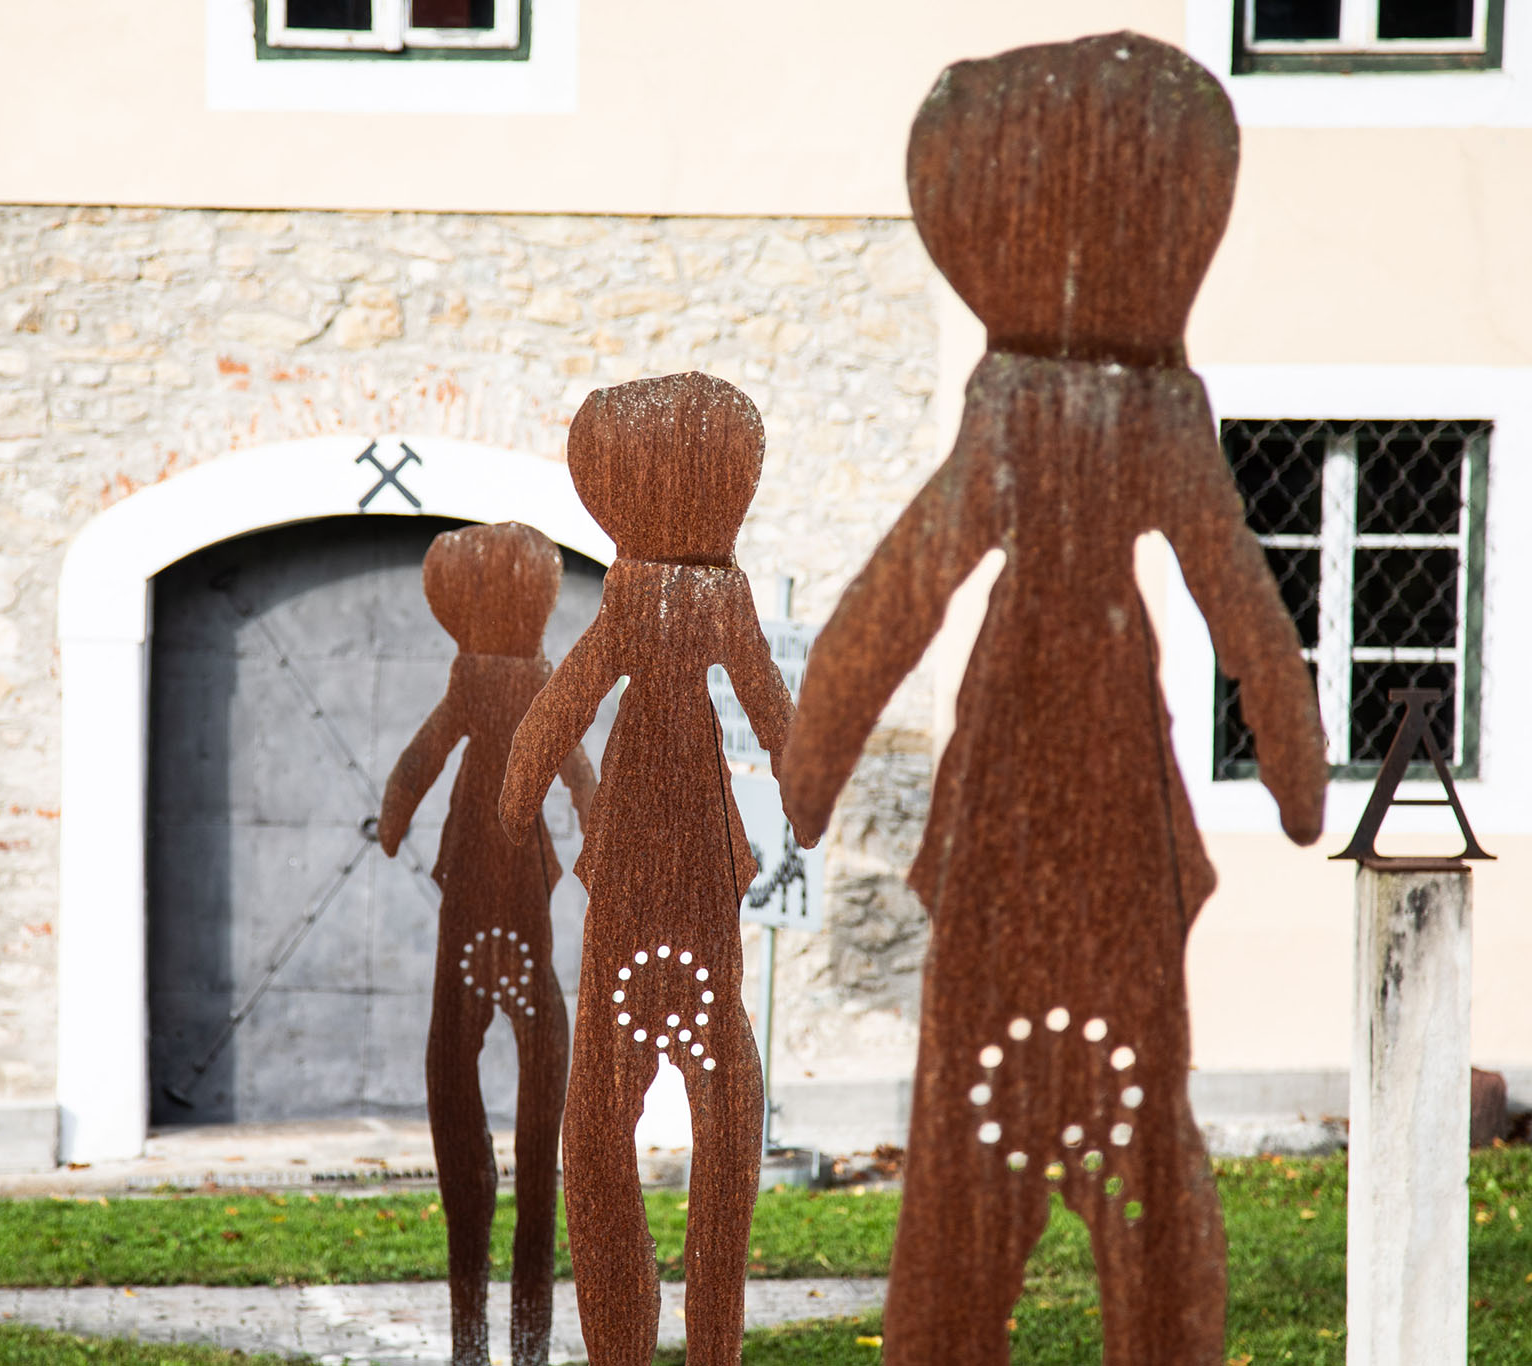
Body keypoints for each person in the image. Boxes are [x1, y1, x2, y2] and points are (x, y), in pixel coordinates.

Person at [778, 34, 1328, 1364]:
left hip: (1043, 754)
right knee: (1094, 1081)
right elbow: (1237, 599)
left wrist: (810, 768)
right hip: (1075, 759)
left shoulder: (1046, 404)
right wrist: (1296, 759)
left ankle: (1006, 1297)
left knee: (1055, 1079)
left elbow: (901, 588)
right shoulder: (1126, 406)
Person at [501, 372, 793, 1366]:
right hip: (686, 863)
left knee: (613, 1111)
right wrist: (800, 788)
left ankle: (647, 1334)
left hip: (644, 863)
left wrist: (521, 792)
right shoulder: (711, 594)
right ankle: (695, 1333)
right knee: (698, 1094)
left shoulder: (644, 593)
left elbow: (565, 703)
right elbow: (767, 701)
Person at [378, 520, 596, 1366]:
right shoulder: (523, 680)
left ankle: (483, 1327)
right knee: (510, 1055)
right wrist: (597, 833)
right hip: (504, 894)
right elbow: (575, 772)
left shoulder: (479, 680)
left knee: (461, 1057)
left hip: (480, 893)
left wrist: (395, 817)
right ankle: (510, 1330)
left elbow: (420, 759)